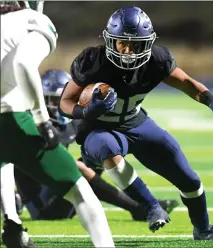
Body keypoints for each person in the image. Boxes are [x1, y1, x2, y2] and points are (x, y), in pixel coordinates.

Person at [59, 6, 213, 241]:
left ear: (149, 43)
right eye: (122, 43)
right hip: (98, 128)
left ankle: (203, 229)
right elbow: (65, 101)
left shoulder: (156, 60)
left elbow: (187, 83)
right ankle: (151, 206)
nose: (129, 51)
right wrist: (86, 111)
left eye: (136, 44)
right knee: (107, 148)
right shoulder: (93, 61)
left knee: (189, 179)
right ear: (110, 40)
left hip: (136, 122)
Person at [0, 1, 114, 247]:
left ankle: (11, 220)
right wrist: (42, 120)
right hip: (8, 118)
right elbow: (22, 64)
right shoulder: (34, 22)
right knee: (81, 192)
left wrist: (11, 216)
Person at [14, 69, 179, 221]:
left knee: (99, 150)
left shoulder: (68, 121)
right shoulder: (30, 124)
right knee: (76, 166)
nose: (58, 105)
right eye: (53, 100)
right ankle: (136, 207)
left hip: (58, 191)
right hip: (42, 206)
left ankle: (141, 204)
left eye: (61, 99)